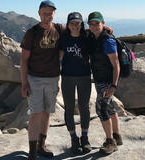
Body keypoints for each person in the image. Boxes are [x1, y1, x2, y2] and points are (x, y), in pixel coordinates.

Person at [20, 0, 64, 159]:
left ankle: (41, 146)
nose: (48, 15)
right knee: (35, 114)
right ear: (39, 13)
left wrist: (104, 28)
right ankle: (32, 152)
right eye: (45, 13)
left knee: (46, 113)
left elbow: (79, 30)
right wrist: (24, 83)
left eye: (51, 12)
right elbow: (23, 60)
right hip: (35, 79)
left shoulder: (59, 29)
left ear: (54, 13)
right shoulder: (32, 33)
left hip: (53, 79)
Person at [87, 11, 123, 154]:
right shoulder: (94, 36)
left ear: (103, 23)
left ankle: (110, 141)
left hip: (106, 82)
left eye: (98, 23)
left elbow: (116, 66)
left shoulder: (107, 41)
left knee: (101, 109)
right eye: (92, 23)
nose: (95, 26)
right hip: (100, 79)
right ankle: (117, 136)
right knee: (110, 108)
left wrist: (113, 86)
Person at [59, 12, 92, 154]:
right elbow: (59, 57)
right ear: (68, 25)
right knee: (69, 108)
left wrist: (107, 28)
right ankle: (74, 138)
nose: (75, 26)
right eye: (72, 23)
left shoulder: (87, 37)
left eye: (77, 23)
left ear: (81, 24)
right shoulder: (63, 39)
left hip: (84, 76)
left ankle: (84, 137)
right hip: (67, 77)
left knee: (84, 107)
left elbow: (99, 32)